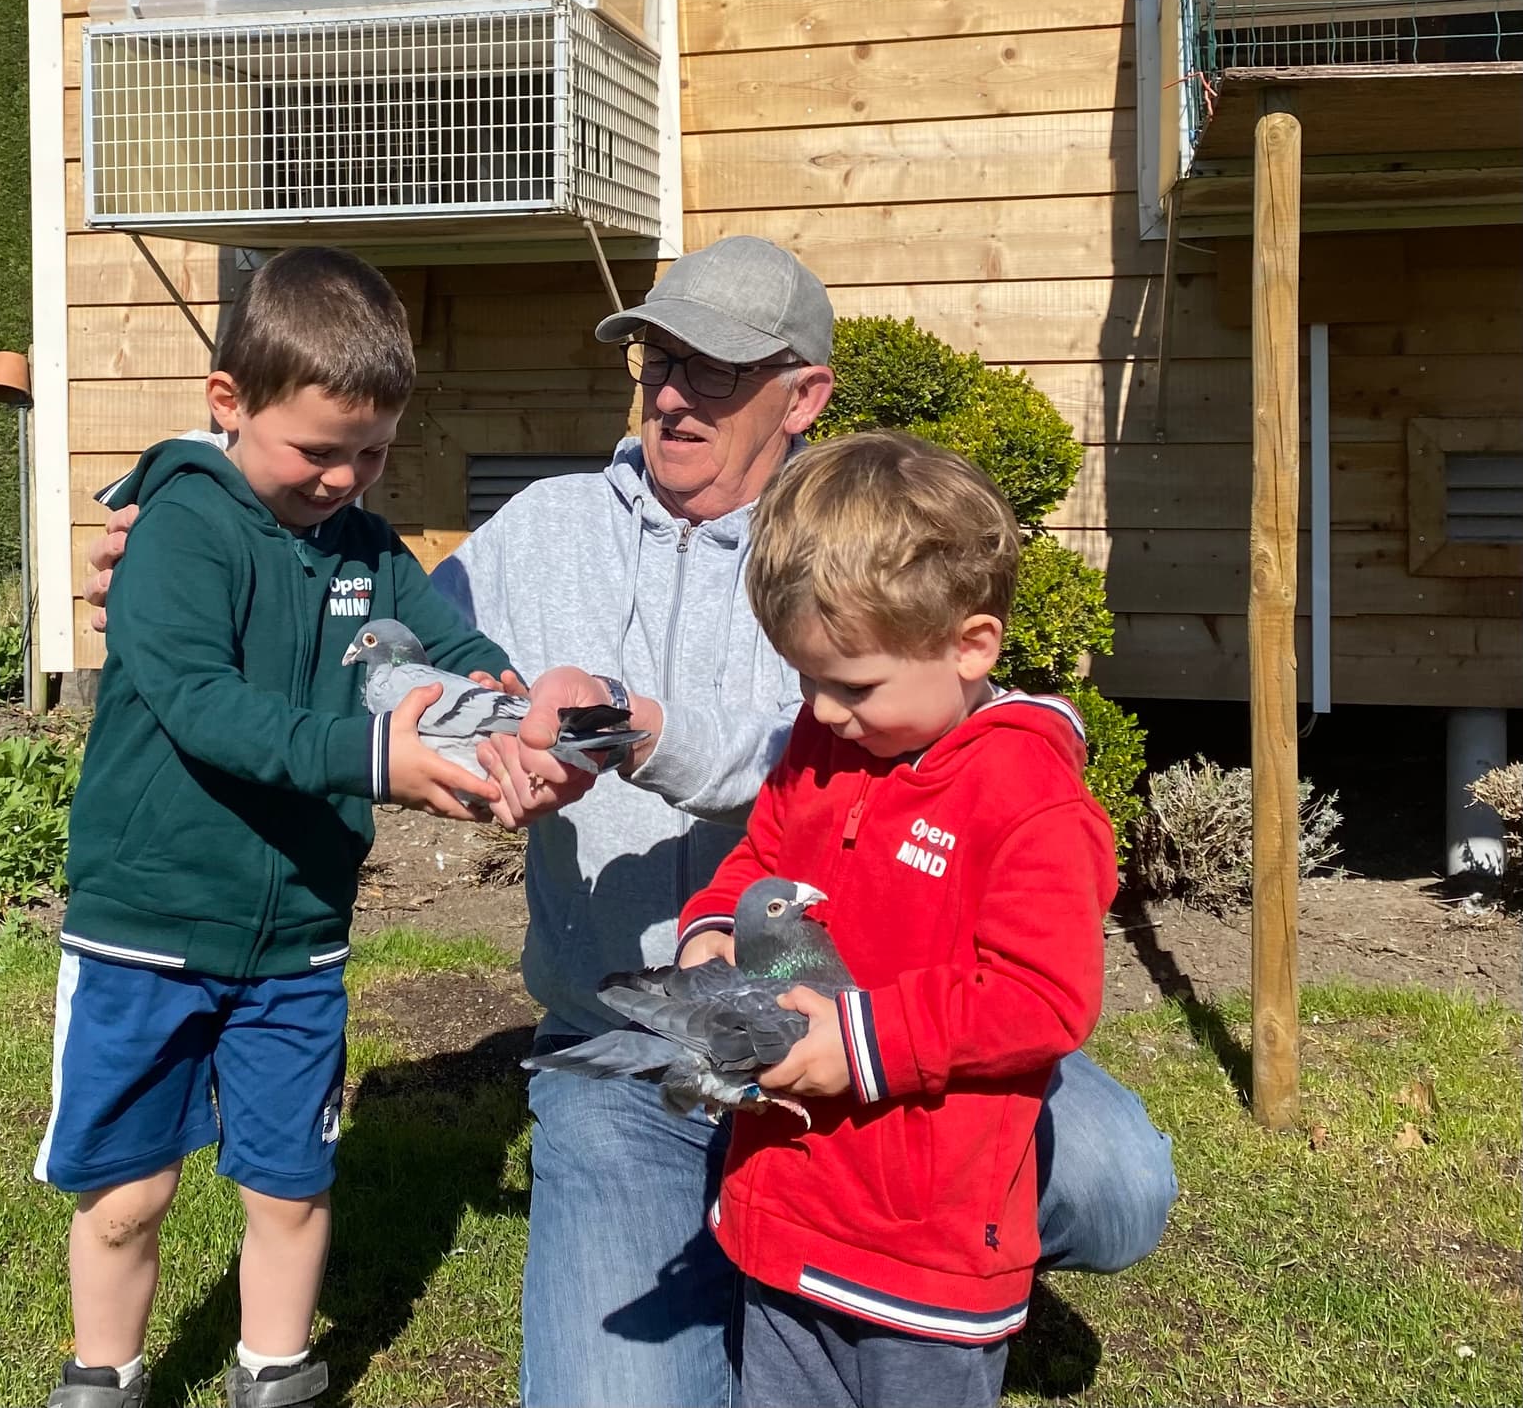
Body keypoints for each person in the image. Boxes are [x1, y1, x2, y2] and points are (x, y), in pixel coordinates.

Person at [85, 235, 1177, 1408]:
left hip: (852, 1026)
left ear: (803, 394)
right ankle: (768, 1232)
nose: (671, 393)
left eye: (714, 369)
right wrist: (215, 565)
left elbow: (903, 749)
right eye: (657, 359)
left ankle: (902, 1242)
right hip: (633, 1039)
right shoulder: (545, 526)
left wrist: (640, 732)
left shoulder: (854, 544)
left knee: (1116, 1182)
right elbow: (384, 654)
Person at [39, 247, 531, 1408]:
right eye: (318, 449)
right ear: (229, 400)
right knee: (128, 1194)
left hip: (297, 939)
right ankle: (104, 1375)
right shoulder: (177, 530)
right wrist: (375, 757)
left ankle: (276, 1371)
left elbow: (449, 644)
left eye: (374, 451)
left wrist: (513, 703)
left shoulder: (367, 546)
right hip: (146, 927)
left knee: (291, 1180)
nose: (345, 476)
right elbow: (206, 708)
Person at [676, 430, 1117, 1408]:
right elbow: (760, 860)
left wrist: (861, 1041)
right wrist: (712, 933)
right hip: (785, 1205)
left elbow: (1042, 997)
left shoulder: (1027, 796)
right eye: (805, 680)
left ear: (971, 645)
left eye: (853, 686)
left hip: (925, 1243)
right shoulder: (825, 741)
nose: (824, 712)